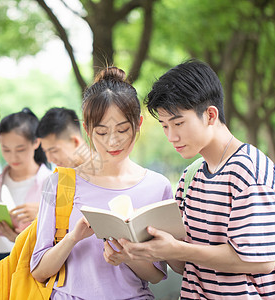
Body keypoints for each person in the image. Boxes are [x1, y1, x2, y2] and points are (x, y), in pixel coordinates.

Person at [119, 59, 275, 299]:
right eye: (165, 126)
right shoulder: (190, 178)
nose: (171, 136)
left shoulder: (251, 172)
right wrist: (147, 241)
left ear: (210, 115)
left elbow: (260, 261)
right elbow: (184, 265)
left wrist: (179, 248)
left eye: (178, 123)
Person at [30, 67, 173, 299]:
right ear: (87, 130)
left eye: (123, 129)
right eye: (102, 132)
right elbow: (39, 271)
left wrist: (127, 255)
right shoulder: (60, 183)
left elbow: (157, 275)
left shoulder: (158, 186)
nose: (113, 141)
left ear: (138, 124)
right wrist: (73, 238)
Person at [0, 108, 52, 300]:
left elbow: (60, 239)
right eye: (5, 150)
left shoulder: (52, 183)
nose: (12, 157)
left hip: (32, 267)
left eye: (20, 149)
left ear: (36, 143)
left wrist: (20, 235)